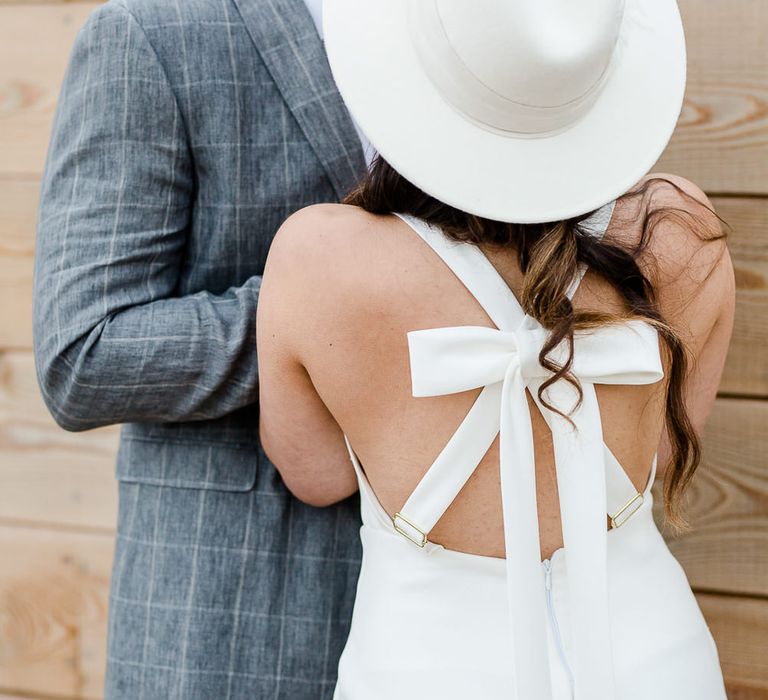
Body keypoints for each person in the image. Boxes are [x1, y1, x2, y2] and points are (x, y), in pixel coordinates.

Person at [256, 1, 734, 698]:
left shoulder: (317, 257)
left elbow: (318, 473)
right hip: (654, 660)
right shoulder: (681, 229)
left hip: (426, 669)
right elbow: (661, 450)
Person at [32, 0, 368, 697]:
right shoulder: (149, 29)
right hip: (231, 605)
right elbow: (81, 354)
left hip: (463, 597)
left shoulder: (483, 28)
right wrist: (309, 320)